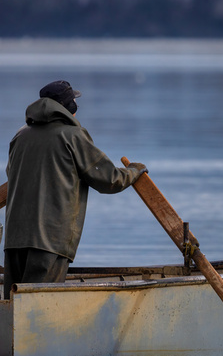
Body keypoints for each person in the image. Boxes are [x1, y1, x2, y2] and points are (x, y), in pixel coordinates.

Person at [3, 80, 147, 299]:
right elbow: (110, 180)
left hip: (14, 240)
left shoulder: (20, 136)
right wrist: (135, 170)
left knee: (12, 305)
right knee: (39, 308)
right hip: (50, 241)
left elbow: (11, 174)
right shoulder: (72, 136)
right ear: (68, 107)